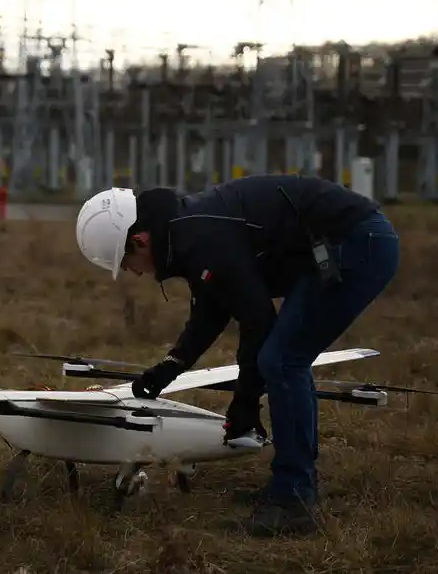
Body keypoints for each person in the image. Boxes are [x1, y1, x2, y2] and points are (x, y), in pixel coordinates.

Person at [75, 174, 400, 536]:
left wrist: (245, 402)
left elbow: (257, 319)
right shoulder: (185, 231)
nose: (134, 273)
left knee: (281, 360)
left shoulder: (200, 237)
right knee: (286, 358)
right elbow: (212, 308)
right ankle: (293, 486)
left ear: (139, 240)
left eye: (126, 263)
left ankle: (294, 500)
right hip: (340, 244)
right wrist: (170, 367)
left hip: (357, 243)